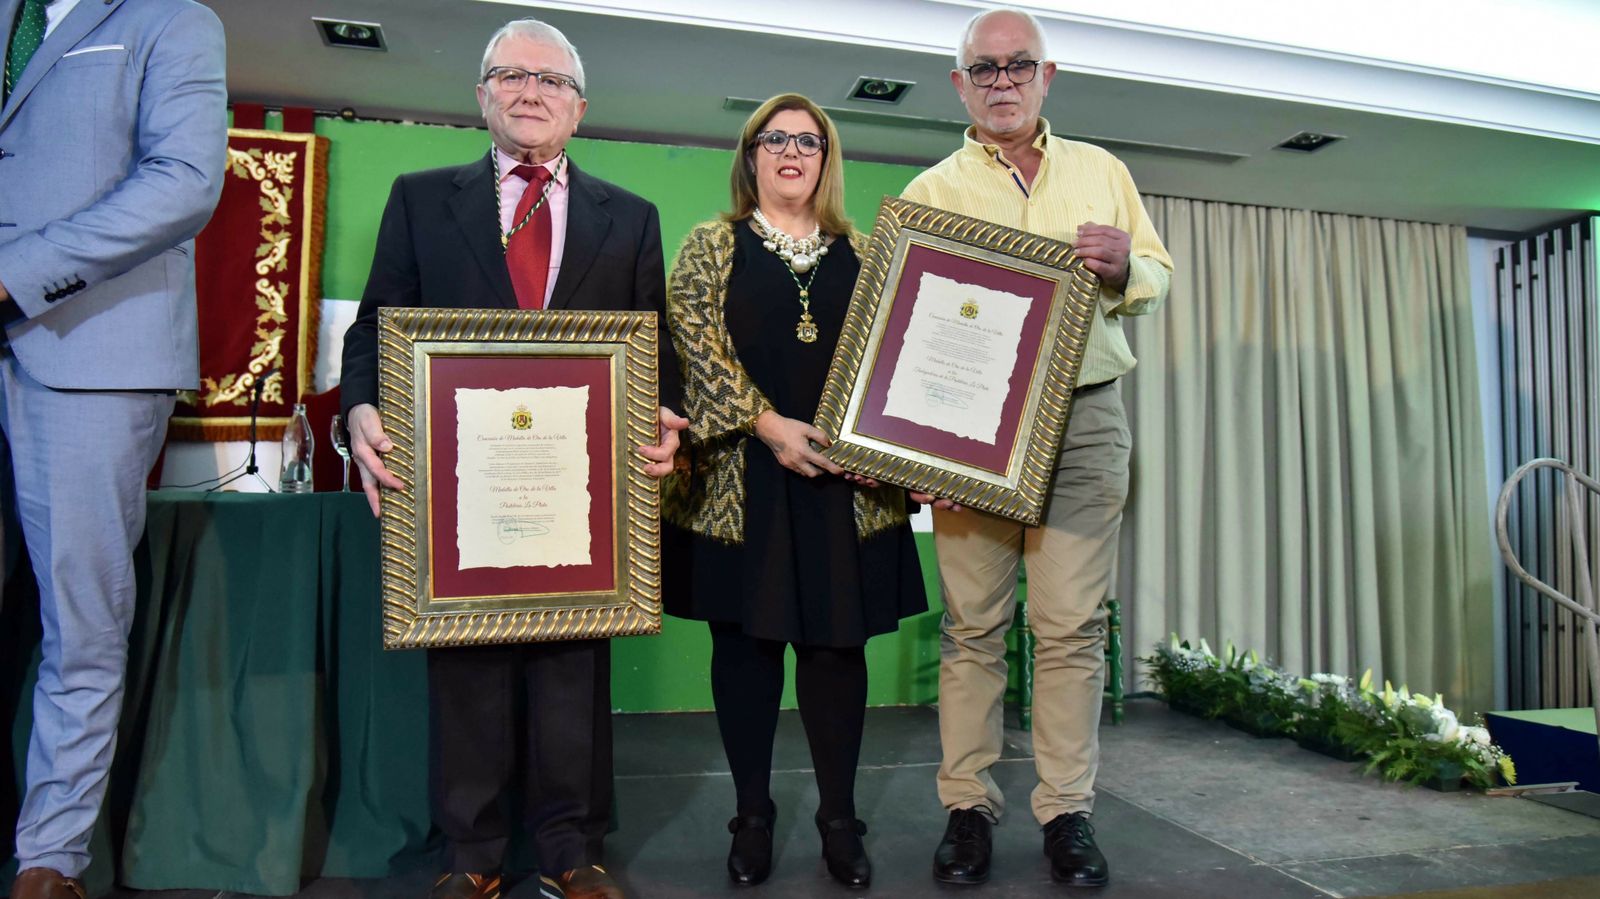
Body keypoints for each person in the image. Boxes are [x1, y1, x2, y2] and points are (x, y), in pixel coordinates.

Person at [339, 18, 685, 899]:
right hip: (460, 489)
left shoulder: (632, 218)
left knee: (574, 663)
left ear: (579, 108)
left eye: (551, 82)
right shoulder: (421, 199)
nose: (532, 93)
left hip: (580, 491)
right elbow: (375, 328)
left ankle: (573, 850)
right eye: (512, 76)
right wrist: (359, 411)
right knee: (468, 662)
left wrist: (667, 420)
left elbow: (656, 353)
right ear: (482, 96)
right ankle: (473, 855)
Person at [901, 7, 1174, 889]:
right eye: (985, 68)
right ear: (960, 84)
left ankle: (1068, 814)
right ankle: (967, 809)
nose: (1004, 80)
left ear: (1047, 76)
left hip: (1088, 418)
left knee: (1070, 628)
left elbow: (1158, 277)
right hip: (972, 434)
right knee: (972, 626)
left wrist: (1128, 264)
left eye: (1020, 65)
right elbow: (901, 328)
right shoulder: (929, 191)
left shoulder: (1103, 171)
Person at [661, 94, 927, 889]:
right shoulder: (712, 243)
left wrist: (895, 448)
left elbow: (902, 361)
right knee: (744, 653)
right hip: (744, 483)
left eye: (807, 141)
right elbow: (693, 347)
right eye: (773, 139)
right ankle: (751, 813)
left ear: (826, 158)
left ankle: (839, 820)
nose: (790, 152)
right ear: (750, 157)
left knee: (838, 655)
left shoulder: (870, 250)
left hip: (844, 489)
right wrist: (766, 422)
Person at [0, 0, 227, 896]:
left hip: (88, 348)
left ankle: (50, 859)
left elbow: (182, 180)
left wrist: (14, 277)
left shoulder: (174, 18)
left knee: (80, 621)